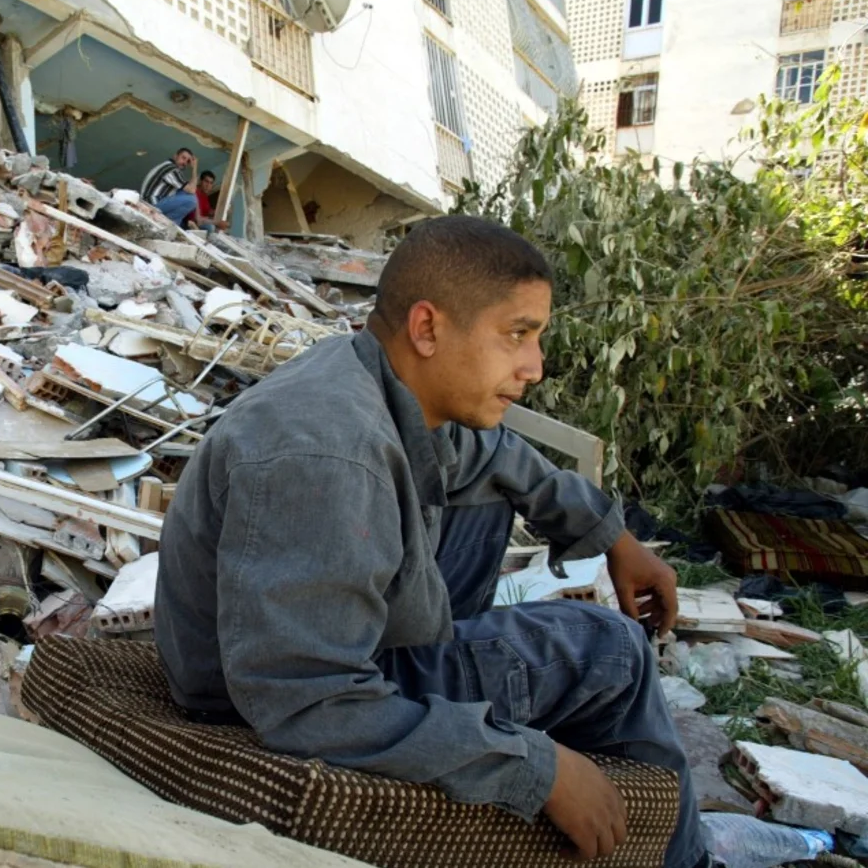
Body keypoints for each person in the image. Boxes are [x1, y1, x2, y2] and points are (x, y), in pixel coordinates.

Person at [154, 215, 708, 868]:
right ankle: (681, 857)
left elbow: (492, 452)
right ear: (426, 328)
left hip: (309, 645)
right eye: (517, 335)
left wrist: (613, 537)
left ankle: (467, 675)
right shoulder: (330, 454)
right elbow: (308, 701)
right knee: (614, 650)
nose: (534, 365)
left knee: (483, 484)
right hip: (258, 696)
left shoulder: (374, 374)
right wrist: (539, 764)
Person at [142, 147, 199, 226]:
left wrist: (193, 168)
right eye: (183, 158)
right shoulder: (171, 169)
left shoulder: (169, 166)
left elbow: (190, 188)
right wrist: (194, 168)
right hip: (152, 204)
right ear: (175, 156)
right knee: (192, 200)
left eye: (188, 161)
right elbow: (192, 190)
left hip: (156, 202)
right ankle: (167, 224)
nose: (185, 163)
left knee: (187, 193)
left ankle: (172, 224)